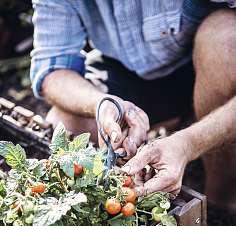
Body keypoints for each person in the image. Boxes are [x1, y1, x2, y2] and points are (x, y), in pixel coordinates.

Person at [31, 1, 236, 209]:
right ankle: (179, 119)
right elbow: (52, 68)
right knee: (65, 125)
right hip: (130, 69)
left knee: (226, 40)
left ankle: (221, 200)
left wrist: (189, 143)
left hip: (207, 66)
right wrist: (101, 103)